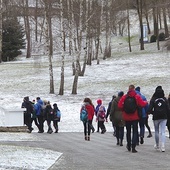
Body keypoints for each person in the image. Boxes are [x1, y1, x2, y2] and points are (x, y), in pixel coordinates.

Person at [118, 84, 147, 153]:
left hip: (127, 117)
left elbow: (119, 106)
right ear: (134, 89)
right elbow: (142, 104)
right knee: (135, 131)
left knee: (128, 131)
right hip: (135, 117)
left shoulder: (124, 97)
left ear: (128, 89)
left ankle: (128, 145)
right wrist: (146, 102)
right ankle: (133, 146)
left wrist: (124, 110)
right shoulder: (137, 96)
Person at [147, 86, 170, 152]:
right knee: (163, 131)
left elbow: (149, 109)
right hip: (164, 117)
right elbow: (168, 108)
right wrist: (167, 115)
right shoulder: (164, 99)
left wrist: (153, 113)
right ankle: (163, 146)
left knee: (156, 131)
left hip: (156, 117)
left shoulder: (153, 99)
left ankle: (157, 145)